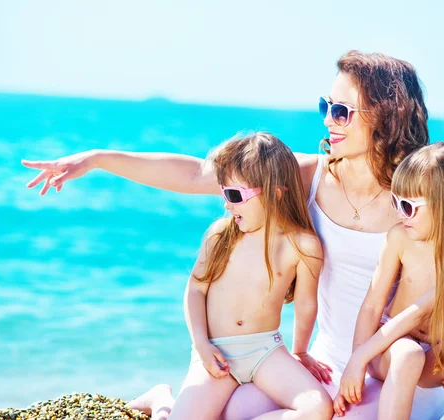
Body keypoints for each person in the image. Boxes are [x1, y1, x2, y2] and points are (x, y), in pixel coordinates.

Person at [22, 50, 444, 418]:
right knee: (234, 410)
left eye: (342, 111)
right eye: (326, 106)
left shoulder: (421, 196)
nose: (329, 120)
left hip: (394, 375)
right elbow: (197, 173)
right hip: (326, 366)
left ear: (386, 115)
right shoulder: (308, 175)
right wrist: (99, 159)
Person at [137, 132, 333, 420]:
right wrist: (201, 346)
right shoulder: (221, 235)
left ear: (275, 193)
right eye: (223, 192)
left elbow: (306, 305)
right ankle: (161, 401)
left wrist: (300, 352)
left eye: (235, 195)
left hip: (266, 351)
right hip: (216, 353)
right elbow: (195, 291)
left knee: (318, 408)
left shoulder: (303, 245)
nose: (226, 204)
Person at [333, 142, 444, 420]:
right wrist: (357, 362)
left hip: (434, 354)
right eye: (396, 202)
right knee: (408, 354)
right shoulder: (400, 238)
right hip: (391, 349)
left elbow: (429, 311)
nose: (400, 214)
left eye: (409, 207)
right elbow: (372, 307)